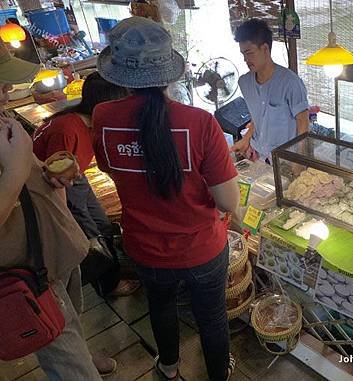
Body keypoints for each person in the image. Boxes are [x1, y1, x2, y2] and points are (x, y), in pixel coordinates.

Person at [92, 17, 240, 380]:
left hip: (143, 247)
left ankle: (169, 367)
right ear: (170, 73)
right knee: (211, 316)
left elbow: (111, 169)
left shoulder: (102, 116)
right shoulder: (199, 122)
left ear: (119, 73)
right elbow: (228, 202)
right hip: (201, 249)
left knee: (160, 306)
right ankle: (219, 374)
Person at [0, 43, 102, 380]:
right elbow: (16, 172)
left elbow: (31, 166)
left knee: (72, 319)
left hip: (54, 244)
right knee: (67, 358)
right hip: (26, 270)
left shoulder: (4, 118)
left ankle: (83, 352)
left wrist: (49, 172)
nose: (7, 92)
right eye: (0, 83)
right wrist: (16, 171)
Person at [32, 71, 141, 298]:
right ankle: (107, 283)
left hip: (76, 178)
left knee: (101, 223)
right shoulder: (67, 129)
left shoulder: (89, 123)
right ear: (106, 104)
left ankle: (113, 265)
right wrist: (64, 218)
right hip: (58, 188)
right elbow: (54, 177)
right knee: (91, 235)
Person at [232, 18, 309, 163]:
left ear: (265, 49)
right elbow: (258, 117)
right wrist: (246, 139)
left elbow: (303, 122)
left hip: (286, 158)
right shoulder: (244, 82)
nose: (245, 59)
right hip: (259, 155)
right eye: (243, 54)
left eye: (249, 53)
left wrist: (299, 159)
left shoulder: (291, 83)